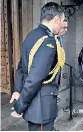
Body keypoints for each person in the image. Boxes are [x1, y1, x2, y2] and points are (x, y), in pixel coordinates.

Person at [9, 2, 65, 131]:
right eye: (62, 21)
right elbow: (35, 77)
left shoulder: (32, 35)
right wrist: (20, 106)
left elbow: (21, 67)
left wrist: (18, 89)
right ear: (56, 19)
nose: (63, 24)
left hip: (37, 105)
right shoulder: (48, 40)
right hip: (41, 107)